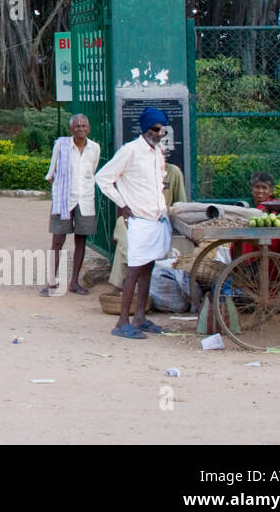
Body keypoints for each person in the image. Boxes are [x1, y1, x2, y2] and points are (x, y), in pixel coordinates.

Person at [96, 108, 171, 339]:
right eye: (155, 130)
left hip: (156, 218)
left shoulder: (158, 152)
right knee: (134, 270)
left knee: (148, 267)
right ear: (145, 129)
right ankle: (121, 323)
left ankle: (139, 317)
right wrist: (122, 203)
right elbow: (103, 178)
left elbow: (159, 181)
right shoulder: (130, 151)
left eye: (163, 130)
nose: (159, 134)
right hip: (139, 219)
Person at [42, 114, 101, 296]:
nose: (81, 128)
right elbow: (52, 172)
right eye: (77, 126)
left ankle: (74, 282)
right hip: (64, 200)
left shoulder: (94, 148)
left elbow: (92, 172)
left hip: (85, 200)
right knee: (58, 240)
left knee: (81, 241)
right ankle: (51, 282)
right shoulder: (61, 146)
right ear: (71, 130)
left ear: (89, 128)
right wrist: (61, 191)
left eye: (84, 125)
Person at [110, 162, 186, 291]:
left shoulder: (173, 172)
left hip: (159, 221)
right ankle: (126, 282)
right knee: (125, 234)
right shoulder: (134, 172)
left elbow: (180, 205)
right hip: (135, 218)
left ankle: (132, 281)